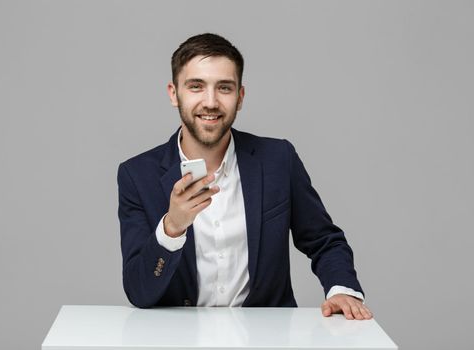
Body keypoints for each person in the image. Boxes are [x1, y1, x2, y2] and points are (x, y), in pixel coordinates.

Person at [117, 33, 373, 320]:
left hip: (268, 339)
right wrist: (172, 228)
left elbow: (325, 240)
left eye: (224, 88)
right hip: (180, 339)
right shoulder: (137, 176)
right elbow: (139, 291)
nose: (210, 102)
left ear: (239, 97)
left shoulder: (278, 160)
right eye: (196, 87)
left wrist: (342, 290)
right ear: (174, 93)